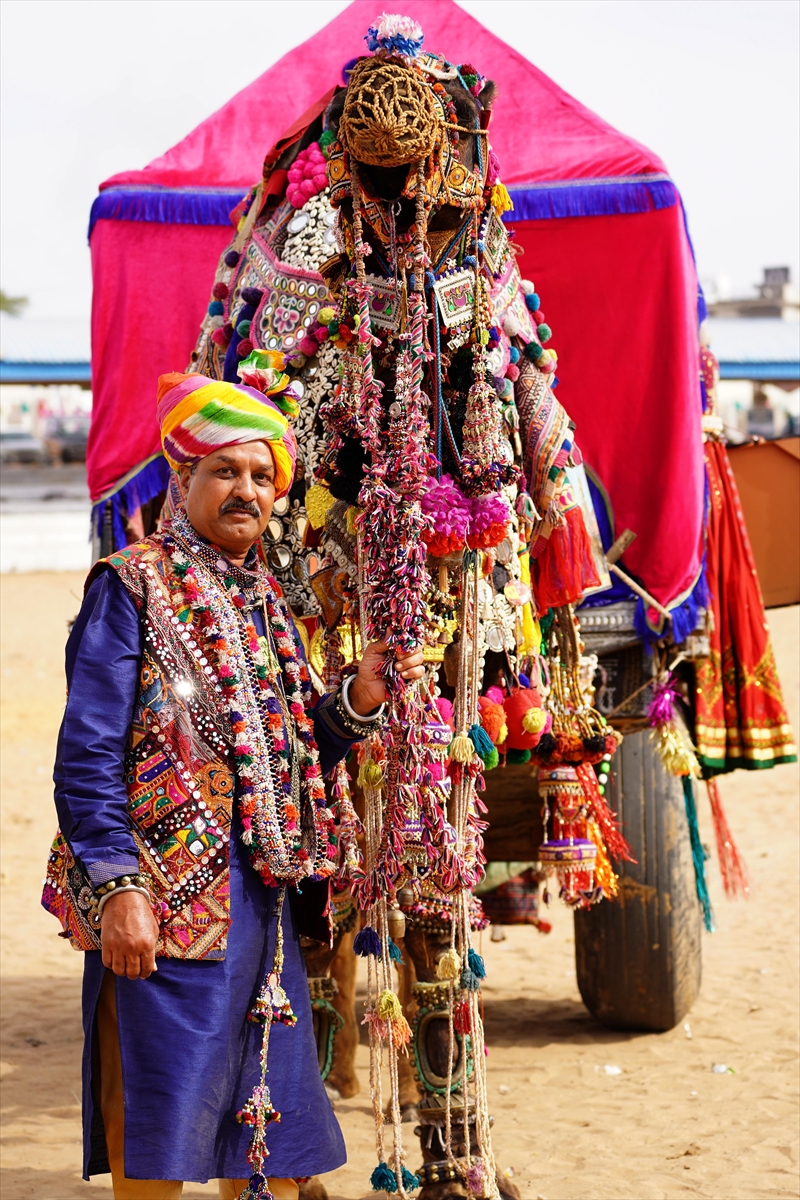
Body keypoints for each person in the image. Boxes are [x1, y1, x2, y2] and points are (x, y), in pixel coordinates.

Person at [42, 371, 424, 1199]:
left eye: (261, 475)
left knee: (268, 1146)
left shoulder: (264, 604)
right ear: (183, 479)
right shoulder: (129, 585)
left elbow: (290, 755)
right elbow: (86, 756)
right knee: (158, 1135)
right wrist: (119, 888)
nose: (246, 490)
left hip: (262, 913)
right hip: (162, 916)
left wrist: (357, 702)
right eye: (225, 470)